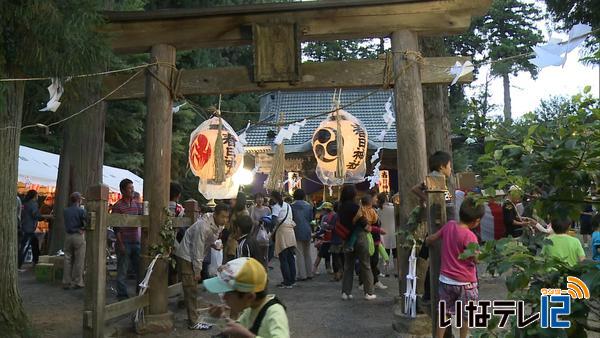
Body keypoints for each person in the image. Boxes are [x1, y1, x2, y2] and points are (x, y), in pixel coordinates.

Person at [425, 197, 485, 338]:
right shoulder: (470, 236)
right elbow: (477, 259)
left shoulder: (450, 225)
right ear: (476, 221)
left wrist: (426, 242)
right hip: (466, 284)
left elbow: (431, 239)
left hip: (446, 280)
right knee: (465, 316)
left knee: (444, 313)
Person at [174, 203, 230, 330]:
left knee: (192, 290)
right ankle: (193, 322)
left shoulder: (217, 224)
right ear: (215, 214)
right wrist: (197, 270)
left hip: (193, 256)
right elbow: (197, 250)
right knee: (190, 290)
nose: (225, 220)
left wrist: (213, 245)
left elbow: (205, 242)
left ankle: (194, 316)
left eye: (227, 217)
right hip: (187, 256)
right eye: (222, 217)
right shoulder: (203, 226)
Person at [205, 257, 290, 338]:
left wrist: (248, 336)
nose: (224, 298)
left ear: (249, 297)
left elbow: (241, 332)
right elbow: (236, 331)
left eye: (228, 294)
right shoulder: (250, 308)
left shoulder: (275, 312)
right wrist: (220, 318)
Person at [340, 185, 376, 300]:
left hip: (346, 237)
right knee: (365, 264)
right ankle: (368, 292)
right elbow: (362, 220)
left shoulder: (341, 207)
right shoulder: (356, 207)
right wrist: (367, 226)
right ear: (353, 195)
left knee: (348, 266)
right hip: (360, 236)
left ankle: (346, 292)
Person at [111, 179, 143, 300]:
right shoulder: (118, 206)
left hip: (136, 241)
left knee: (139, 268)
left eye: (132, 187)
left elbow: (142, 218)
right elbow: (116, 228)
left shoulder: (136, 204)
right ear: (123, 190)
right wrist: (121, 243)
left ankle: (139, 291)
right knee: (122, 270)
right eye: (130, 188)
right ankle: (122, 294)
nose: (132, 190)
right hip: (124, 241)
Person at [357, 195, 387, 290]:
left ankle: (375, 280)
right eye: (375, 198)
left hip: (375, 239)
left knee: (374, 261)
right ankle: (362, 282)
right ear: (370, 201)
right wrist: (378, 230)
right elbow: (366, 226)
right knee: (366, 261)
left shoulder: (373, 211)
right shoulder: (363, 211)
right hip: (368, 238)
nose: (376, 199)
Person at [271, 191, 297, 288]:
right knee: (290, 257)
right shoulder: (288, 206)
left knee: (283, 258)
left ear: (273, 198)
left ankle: (287, 281)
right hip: (290, 232)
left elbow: (273, 221)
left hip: (282, 233)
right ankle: (292, 280)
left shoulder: (276, 207)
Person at [62, 192, 87, 290]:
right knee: (79, 259)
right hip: (78, 235)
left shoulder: (65, 210)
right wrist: (83, 229)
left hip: (68, 235)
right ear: (78, 200)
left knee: (67, 259)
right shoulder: (81, 211)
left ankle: (66, 282)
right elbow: (87, 222)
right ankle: (78, 281)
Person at [290, 189, 314, 281]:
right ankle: (309, 273)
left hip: (296, 230)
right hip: (307, 230)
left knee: (299, 253)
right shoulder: (309, 206)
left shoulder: (291, 206)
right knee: (307, 253)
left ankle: (302, 275)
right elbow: (311, 218)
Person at [18, 189, 42, 270]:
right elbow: (35, 215)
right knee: (24, 247)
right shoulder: (33, 204)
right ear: (34, 196)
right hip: (29, 228)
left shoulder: (25, 203)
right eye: (37, 195)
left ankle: (36, 261)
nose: (38, 196)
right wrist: (44, 217)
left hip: (25, 227)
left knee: (34, 243)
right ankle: (18, 265)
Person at [224, 192, 249, 263]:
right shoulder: (233, 210)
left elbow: (243, 231)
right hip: (230, 242)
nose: (230, 201)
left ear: (239, 200)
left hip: (236, 244)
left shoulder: (244, 213)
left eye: (233, 199)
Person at [376, 193, 396, 277]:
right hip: (394, 232)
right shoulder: (393, 208)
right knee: (396, 254)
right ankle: (396, 272)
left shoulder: (378, 210)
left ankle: (386, 272)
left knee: (385, 253)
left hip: (383, 233)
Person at [313, 202, 335, 275]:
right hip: (333, 238)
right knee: (328, 254)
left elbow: (323, 229)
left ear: (326, 209)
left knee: (320, 254)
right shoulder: (335, 215)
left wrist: (316, 234)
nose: (321, 211)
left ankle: (314, 268)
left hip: (326, 239)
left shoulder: (325, 217)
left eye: (322, 209)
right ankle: (329, 269)